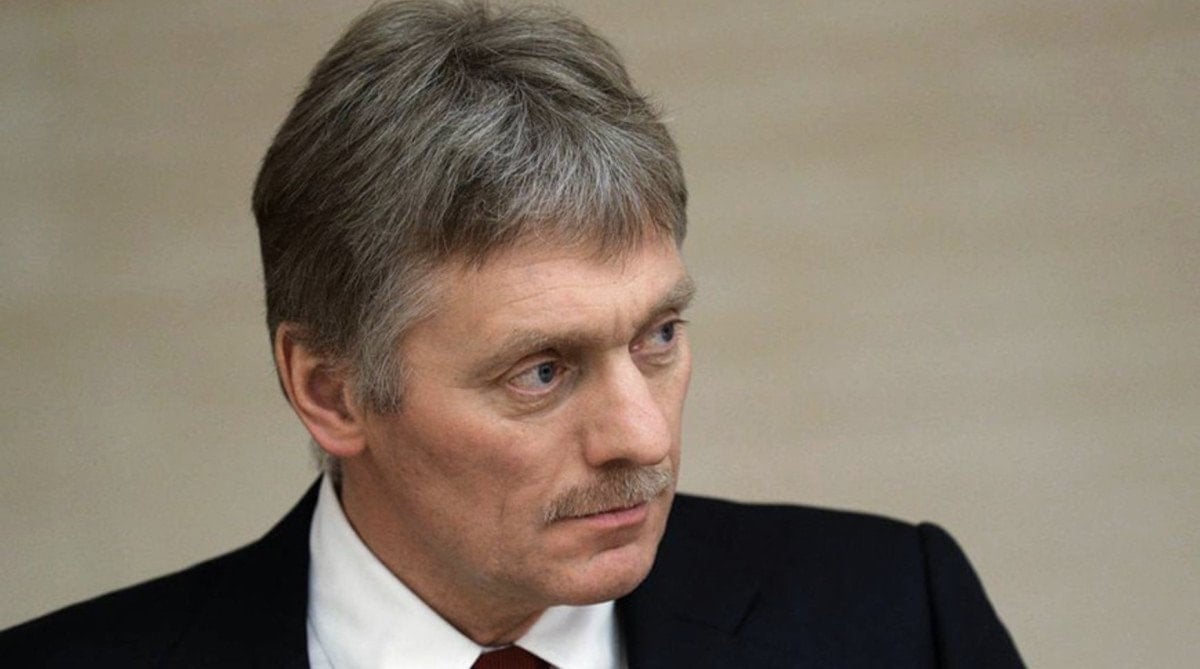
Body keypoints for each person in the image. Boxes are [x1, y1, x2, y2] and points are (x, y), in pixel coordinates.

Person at [0, 1, 1023, 666]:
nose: (643, 437)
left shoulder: (896, 618)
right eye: (541, 371)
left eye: (659, 336)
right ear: (330, 389)